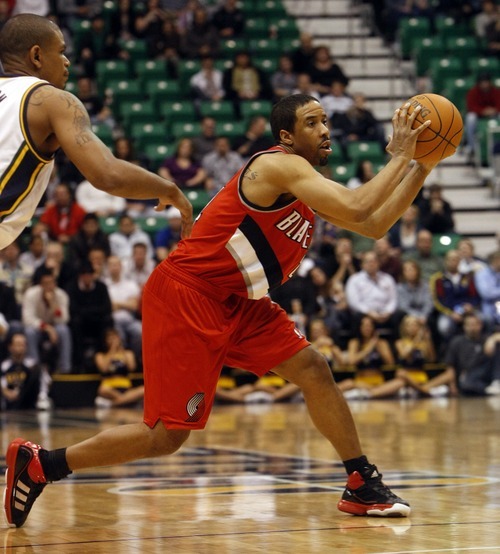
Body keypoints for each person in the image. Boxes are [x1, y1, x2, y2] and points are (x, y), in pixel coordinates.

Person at [4, 91, 439, 528]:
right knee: (164, 437)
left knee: (313, 368)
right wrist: (401, 156)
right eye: (312, 122)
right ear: (286, 136)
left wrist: (423, 165)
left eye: (326, 120)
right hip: (188, 295)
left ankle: (361, 482)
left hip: (239, 302)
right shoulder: (278, 165)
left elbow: (373, 225)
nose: (325, 130)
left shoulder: (305, 184)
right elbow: (361, 205)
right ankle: (42, 464)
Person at [0, 14, 192, 253]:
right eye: (60, 52)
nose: (67, 61)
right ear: (37, 55)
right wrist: (168, 190)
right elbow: (108, 175)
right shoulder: (51, 100)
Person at [94, 327, 144, 409]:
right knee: (102, 390)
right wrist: (112, 349)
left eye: (115, 337)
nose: (113, 340)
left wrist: (121, 350)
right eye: (109, 338)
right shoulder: (100, 355)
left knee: (144, 390)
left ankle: (112, 404)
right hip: (109, 388)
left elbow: (132, 367)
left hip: (126, 388)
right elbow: (104, 368)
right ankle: (127, 401)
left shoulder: (127, 353)